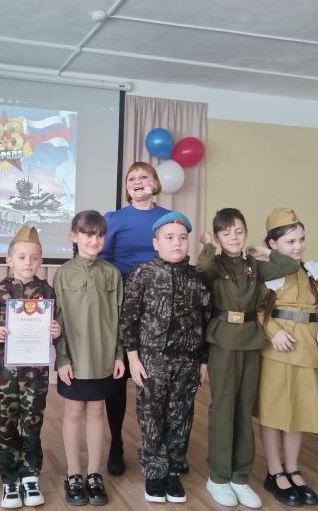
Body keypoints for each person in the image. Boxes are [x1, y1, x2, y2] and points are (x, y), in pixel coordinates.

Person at [197, 208, 298, 509]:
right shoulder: (216, 265)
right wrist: (208, 244)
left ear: (246, 233)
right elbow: (202, 267)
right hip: (223, 340)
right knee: (223, 407)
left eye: (239, 231)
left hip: (251, 340)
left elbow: (289, 264)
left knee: (243, 408)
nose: (233, 237)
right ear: (218, 237)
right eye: (226, 233)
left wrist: (266, 251)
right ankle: (218, 476)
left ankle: (239, 476)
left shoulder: (253, 267)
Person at [120, 211, 211, 504]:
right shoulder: (142, 274)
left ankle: (173, 469)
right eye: (169, 238)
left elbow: (205, 323)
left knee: (181, 416)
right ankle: (155, 472)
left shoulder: (198, 278)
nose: (177, 243)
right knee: (151, 416)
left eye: (182, 238)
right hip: (151, 359)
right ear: (156, 243)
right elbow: (128, 319)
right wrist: (132, 358)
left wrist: (203, 361)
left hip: (187, 360)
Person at [255, 208, 318, 507]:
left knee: (299, 413)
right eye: (290, 241)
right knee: (273, 411)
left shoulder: (313, 272)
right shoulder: (267, 272)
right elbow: (256, 310)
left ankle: (292, 468)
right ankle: (274, 471)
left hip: (307, 350)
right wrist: (273, 331)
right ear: (273, 244)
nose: (299, 246)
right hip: (278, 349)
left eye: (301, 239)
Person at [0, 224, 61, 509]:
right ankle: (9, 479)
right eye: (22, 257)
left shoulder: (47, 291)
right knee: (7, 423)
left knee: (33, 422)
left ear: (41, 261)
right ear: (9, 260)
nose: (28, 262)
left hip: (36, 373)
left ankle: (30, 475)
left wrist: (55, 330)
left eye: (34, 258)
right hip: (6, 372)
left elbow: (57, 327)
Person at [99, 161, 171, 476]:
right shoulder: (113, 219)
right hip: (122, 307)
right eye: (132, 178)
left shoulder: (169, 218)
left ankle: (156, 446)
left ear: (155, 183)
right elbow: (102, 262)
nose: (138, 181)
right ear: (127, 186)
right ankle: (116, 444)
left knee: (155, 381)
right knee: (118, 380)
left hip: (159, 311)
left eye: (144, 176)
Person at [54, 210, 126, 506]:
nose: (94, 240)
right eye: (87, 234)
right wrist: (62, 359)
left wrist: (119, 355)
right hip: (74, 358)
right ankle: (73, 474)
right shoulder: (62, 273)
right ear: (74, 236)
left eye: (99, 235)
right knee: (73, 412)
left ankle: (94, 474)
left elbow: (120, 317)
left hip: (103, 357)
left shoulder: (112, 273)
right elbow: (57, 319)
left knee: (97, 412)